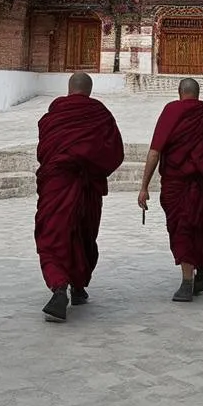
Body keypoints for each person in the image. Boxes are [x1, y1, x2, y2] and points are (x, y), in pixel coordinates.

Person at [34, 70, 124, 322]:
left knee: (53, 233)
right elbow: (116, 152)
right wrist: (95, 168)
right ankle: (79, 285)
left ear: (69, 88)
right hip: (88, 186)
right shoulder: (100, 115)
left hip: (58, 182)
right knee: (84, 234)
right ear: (90, 90)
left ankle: (59, 286)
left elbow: (44, 150)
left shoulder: (54, 114)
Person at [137, 77, 203, 303]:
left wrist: (144, 187)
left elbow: (155, 151)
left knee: (184, 227)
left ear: (179, 93)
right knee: (198, 226)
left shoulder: (172, 111)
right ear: (198, 94)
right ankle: (200, 272)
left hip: (178, 184)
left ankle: (188, 282)